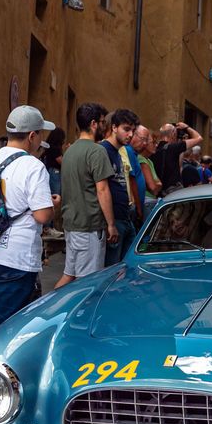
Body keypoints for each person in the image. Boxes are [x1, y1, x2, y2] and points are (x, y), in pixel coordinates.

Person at [0, 106, 56, 352]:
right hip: (13, 259)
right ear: (32, 136)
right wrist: (54, 204)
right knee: (3, 328)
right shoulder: (32, 166)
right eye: (40, 135)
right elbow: (42, 215)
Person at [55, 103, 117, 288]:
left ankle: (49, 312)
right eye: (102, 122)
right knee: (87, 285)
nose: (104, 126)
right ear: (93, 124)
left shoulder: (70, 151)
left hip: (72, 224)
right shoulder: (97, 151)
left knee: (70, 276)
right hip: (89, 226)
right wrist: (111, 224)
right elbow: (102, 190)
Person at [100, 108, 139, 266]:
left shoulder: (118, 152)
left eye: (133, 131)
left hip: (125, 216)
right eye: (126, 129)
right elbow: (102, 189)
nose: (130, 135)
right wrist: (110, 224)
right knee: (112, 269)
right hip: (114, 219)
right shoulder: (103, 150)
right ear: (114, 127)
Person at [155, 122, 202, 195]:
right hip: (173, 191)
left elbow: (179, 165)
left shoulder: (154, 150)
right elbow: (198, 138)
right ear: (173, 134)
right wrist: (186, 127)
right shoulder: (174, 148)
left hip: (160, 191)